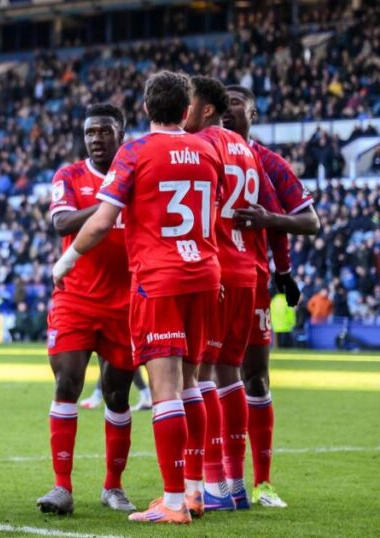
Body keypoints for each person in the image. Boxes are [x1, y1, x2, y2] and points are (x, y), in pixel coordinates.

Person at [54, 71, 222, 525]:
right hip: (205, 274)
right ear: (186, 110)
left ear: (147, 110)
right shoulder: (208, 149)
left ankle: (171, 503)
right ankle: (195, 491)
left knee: (165, 389)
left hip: (160, 278)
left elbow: (102, 221)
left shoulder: (136, 151)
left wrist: (67, 262)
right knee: (193, 384)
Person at [182, 76, 287, 514]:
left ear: (206, 109)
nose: (184, 112)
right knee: (231, 378)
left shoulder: (207, 144)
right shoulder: (247, 150)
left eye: (189, 104)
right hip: (248, 273)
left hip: (219, 270)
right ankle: (236, 485)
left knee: (201, 375)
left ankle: (212, 483)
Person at [223, 85, 321, 508]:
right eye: (219, 107)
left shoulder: (270, 163)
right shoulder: (203, 155)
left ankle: (262, 483)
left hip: (254, 282)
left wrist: (269, 223)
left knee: (255, 378)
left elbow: (309, 222)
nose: (226, 114)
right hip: (209, 280)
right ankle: (225, 482)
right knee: (211, 380)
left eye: (235, 106)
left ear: (254, 113)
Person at [38, 103, 138, 515]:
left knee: (117, 394)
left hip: (126, 302)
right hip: (75, 299)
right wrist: (111, 204)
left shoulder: (138, 176)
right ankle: (61, 486)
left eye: (104, 131)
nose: (96, 139)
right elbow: (62, 223)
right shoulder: (70, 176)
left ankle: (113, 486)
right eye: (90, 132)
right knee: (68, 384)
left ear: (121, 133)